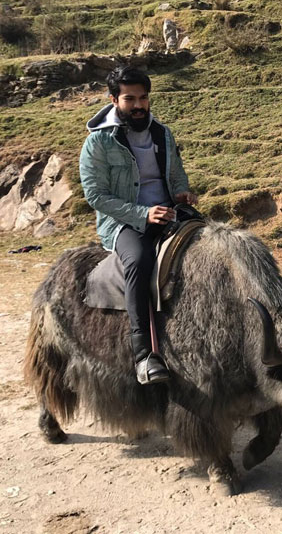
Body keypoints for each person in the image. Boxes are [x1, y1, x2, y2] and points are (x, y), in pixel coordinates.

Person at [79, 65, 198, 385]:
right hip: (124, 222)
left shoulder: (162, 132)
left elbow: (175, 174)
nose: (139, 105)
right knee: (140, 261)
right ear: (114, 100)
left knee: (214, 244)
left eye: (143, 98)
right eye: (130, 98)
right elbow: (95, 195)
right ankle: (144, 354)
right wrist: (142, 215)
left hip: (171, 213)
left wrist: (181, 193)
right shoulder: (98, 142)